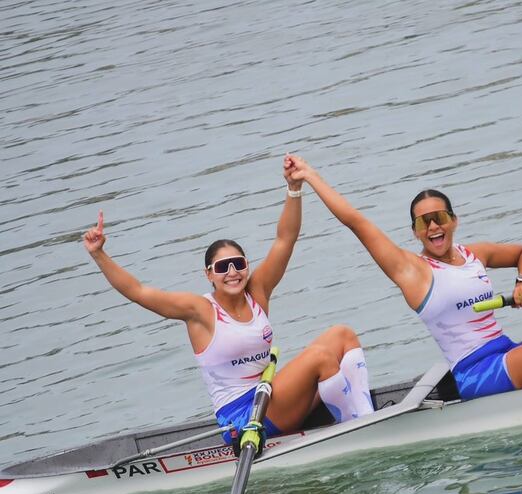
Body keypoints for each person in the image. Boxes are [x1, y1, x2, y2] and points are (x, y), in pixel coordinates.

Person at [284, 154, 522, 400]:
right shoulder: (411, 271)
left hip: (507, 351)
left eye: (440, 218)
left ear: (454, 221)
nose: (433, 226)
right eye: (423, 221)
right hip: (477, 373)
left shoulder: (474, 254)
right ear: (415, 231)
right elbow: (357, 221)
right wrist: (310, 178)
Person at [82, 156, 374, 446]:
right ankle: (360, 428)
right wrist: (99, 254)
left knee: (342, 335)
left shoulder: (257, 292)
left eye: (238, 264)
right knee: (320, 358)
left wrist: (293, 189)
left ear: (246, 265)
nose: (232, 273)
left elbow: (285, 239)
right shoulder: (200, 311)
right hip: (244, 419)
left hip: (270, 396)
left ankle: (363, 415)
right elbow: (138, 291)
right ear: (209, 275)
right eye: (222, 267)